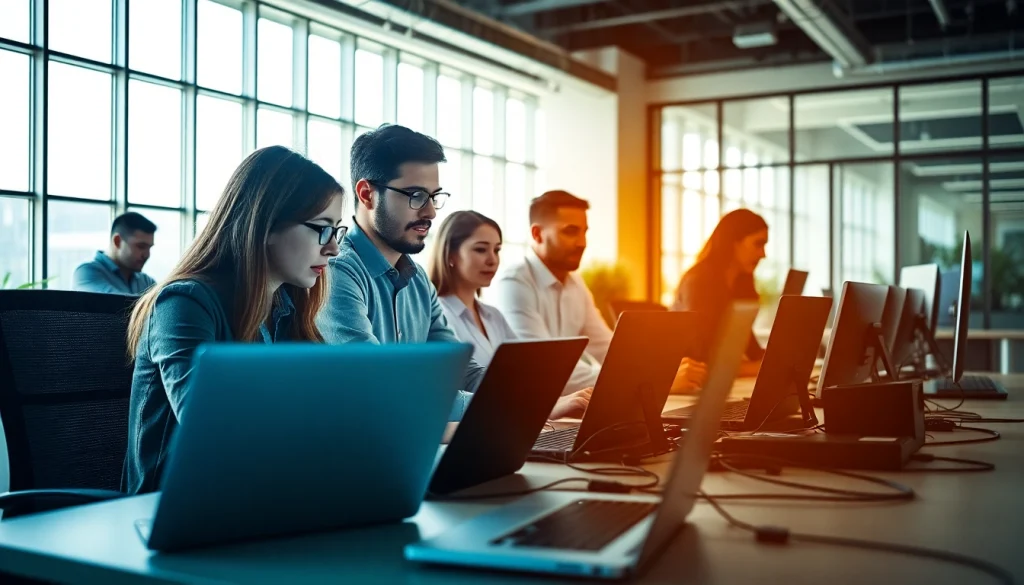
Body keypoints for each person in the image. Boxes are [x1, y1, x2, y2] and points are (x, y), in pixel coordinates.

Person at [317, 125, 589, 422]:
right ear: (367, 194)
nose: (431, 212)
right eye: (416, 195)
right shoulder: (337, 273)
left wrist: (537, 400)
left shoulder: (418, 281)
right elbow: (381, 386)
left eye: (434, 196)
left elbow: (460, 372)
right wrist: (526, 407)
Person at [122, 146, 346, 494]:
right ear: (266, 223)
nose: (333, 248)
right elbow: (212, 429)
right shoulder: (184, 303)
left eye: (337, 231)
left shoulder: (288, 312)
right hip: (175, 510)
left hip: (255, 498)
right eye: (322, 229)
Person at [490, 191, 707, 395]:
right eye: (570, 231)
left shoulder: (575, 283)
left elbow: (608, 349)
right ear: (537, 234)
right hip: (533, 413)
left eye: (584, 232)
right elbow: (547, 369)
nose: (582, 243)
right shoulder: (514, 283)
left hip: (565, 410)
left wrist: (662, 368)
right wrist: (655, 380)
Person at [671, 208, 769, 382]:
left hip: (717, 386)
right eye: (758, 244)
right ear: (734, 242)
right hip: (689, 387)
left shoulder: (740, 285)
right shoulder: (698, 282)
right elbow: (703, 360)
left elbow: (751, 350)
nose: (763, 254)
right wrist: (760, 367)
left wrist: (776, 360)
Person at [73, 212, 158, 295]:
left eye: (149, 247)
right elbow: (115, 303)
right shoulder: (86, 272)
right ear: (117, 241)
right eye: (141, 246)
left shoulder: (147, 281)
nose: (147, 255)